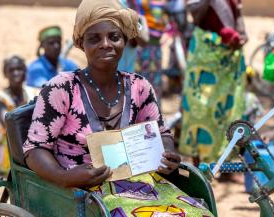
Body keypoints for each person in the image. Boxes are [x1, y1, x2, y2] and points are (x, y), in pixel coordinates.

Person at [22, 1, 214, 216]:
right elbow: (35, 149)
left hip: (141, 184)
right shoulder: (62, 88)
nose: (106, 44)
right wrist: (64, 177)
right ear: (81, 43)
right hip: (81, 193)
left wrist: (167, 152)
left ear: (125, 41)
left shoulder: (140, 87)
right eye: (94, 38)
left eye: (114, 37)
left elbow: (161, 134)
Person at [179, 0, 247, 163]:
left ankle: (226, 161)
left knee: (227, 109)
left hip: (228, 57)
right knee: (199, 107)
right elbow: (196, 18)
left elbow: (238, 16)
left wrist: (241, 35)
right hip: (204, 56)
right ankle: (198, 160)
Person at [0, 55, 37, 173]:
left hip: (30, 141)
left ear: (25, 71)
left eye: (19, 69)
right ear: (5, 74)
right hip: (6, 149)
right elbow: (9, 125)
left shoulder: (34, 92)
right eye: (11, 70)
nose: (16, 73)